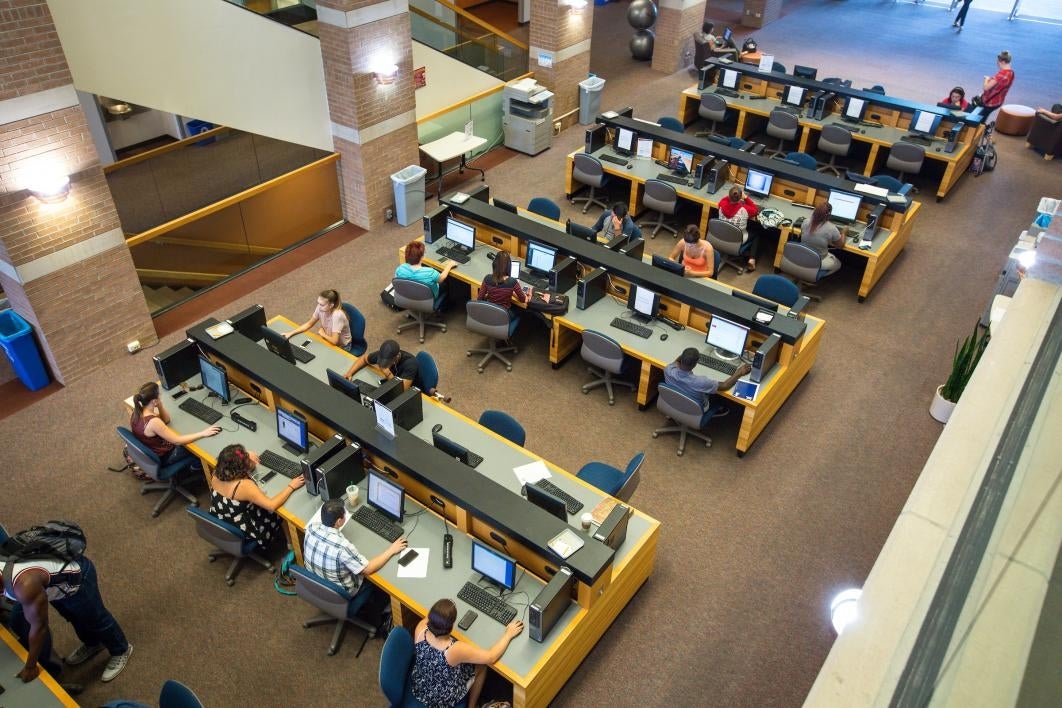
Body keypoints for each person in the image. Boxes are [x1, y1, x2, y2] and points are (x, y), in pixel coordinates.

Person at [3, 536, 133, 685]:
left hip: (77, 578)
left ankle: (121, 649)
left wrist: (31, 666)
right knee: (74, 616)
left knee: (95, 618)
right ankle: (93, 643)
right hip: (54, 585)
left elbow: (39, 627)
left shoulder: (24, 586)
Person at [411, 598, 524, 708]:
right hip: (443, 699)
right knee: (482, 666)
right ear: (451, 626)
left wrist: (441, 611)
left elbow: (430, 618)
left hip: (421, 687)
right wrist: (508, 634)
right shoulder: (453, 649)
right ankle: (472, 705)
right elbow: (491, 657)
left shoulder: (420, 629)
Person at [304, 499, 406, 602]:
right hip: (339, 595)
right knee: (376, 583)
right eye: (344, 514)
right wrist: (391, 550)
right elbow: (368, 569)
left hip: (316, 583)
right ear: (339, 521)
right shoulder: (342, 546)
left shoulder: (311, 528)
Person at [209, 443, 304, 548]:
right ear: (241, 467)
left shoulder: (217, 473)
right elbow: (271, 505)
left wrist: (246, 455)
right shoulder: (244, 486)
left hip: (222, 518)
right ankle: (291, 543)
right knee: (282, 511)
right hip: (245, 528)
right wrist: (291, 486)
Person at [129, 382, 219, 468]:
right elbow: (177, 441)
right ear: (154, 401)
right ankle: (195, 467)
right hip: (165, 457)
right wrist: (203, 433)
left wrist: (160, 406)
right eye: (159, 394)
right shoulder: (153, 422)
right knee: (197, 446)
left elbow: (166, 420)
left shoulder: (137, 411)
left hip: (152, 451)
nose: (161, 395)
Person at [663, 347, 751, 417]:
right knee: (716, 395)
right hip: (695, 409)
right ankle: (717, 409)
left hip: (674, 402)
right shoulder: (701, 382)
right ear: (695, 363)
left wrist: (684, 356)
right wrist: (739, 372)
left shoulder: (668, 369)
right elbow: (725, 386)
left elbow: (676, 362)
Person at [283, 289, 352, 351]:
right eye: (318, 303)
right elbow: (309, 324)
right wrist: (290, 333)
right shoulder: (320, 307)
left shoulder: (337, 315)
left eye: (322, 304)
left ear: (331, 305)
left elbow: (334, 341)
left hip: (342, 346)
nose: (319, 306)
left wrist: (322, 334)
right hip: (328, 340)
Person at [344, 339, 419, 391]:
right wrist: (349, 373)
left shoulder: (410, 364)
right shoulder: (383, 355)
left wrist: (388, 374)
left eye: (389, 362)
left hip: (413, 391)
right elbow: (363, 359)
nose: (386, 364)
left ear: (397, 356)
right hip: (392, 384)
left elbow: (403, 390)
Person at [717, 186, 760, 271]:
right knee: (756, 234)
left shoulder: (722, 204)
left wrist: (731, 195)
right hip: (737, 239)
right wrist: (746, 198)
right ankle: (752, 259)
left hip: (721, 235)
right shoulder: (744, 209)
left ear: (729, 196)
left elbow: (723, 200)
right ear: (740, 198)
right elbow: (755, 210)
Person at [477, 251, 529, 318]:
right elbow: (523, 300)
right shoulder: (512, 282)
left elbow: (479, 299)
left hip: (489, 312)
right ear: (509, 266)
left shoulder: (487, 278)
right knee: (519, 311)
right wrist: (513, 292)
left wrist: (488, 294)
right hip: (504, 316)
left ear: (494, 264)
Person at [799, 202, 844, 278]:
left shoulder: (805, 222)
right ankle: (814, 276)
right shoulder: (832, 228)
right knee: (838, 264)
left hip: (803, 256)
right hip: (818, 260)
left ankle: (806, 271)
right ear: (829, 214)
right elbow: (840, 246)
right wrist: (843, 233)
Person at [974, 50, 1014, 122]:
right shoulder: (1011, 73)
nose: (997, 64)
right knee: (984, 116)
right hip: (999, 101)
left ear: (1002, 62)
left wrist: (986, 79)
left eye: (998, 62)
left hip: (990, 103)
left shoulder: (1000, 75)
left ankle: (979, 129)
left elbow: (986, 88)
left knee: (978, 119)